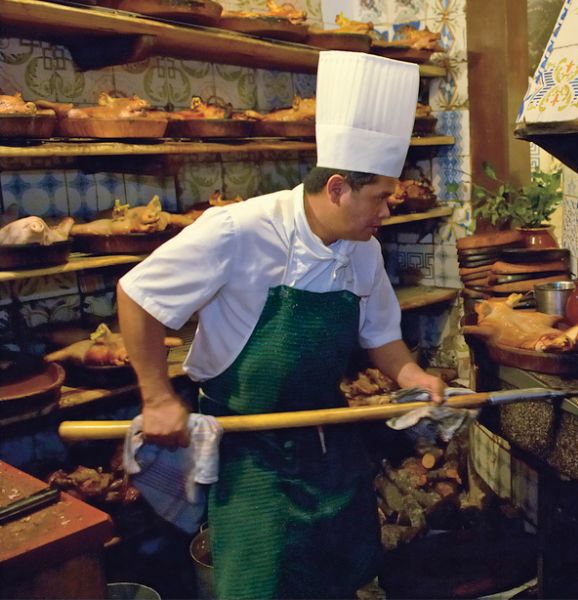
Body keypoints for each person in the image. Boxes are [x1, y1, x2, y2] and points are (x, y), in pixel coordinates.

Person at [116, 51, 446, 599]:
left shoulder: (360, 247)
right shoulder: (238, 231)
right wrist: (155, 396)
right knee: (259, 585)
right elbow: (138, 293)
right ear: (337, 187)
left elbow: (380, 333)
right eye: (380, 198)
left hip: (328, 443)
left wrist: (410, 374)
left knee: (341, 576)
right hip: (253, 457)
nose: (388, 211)